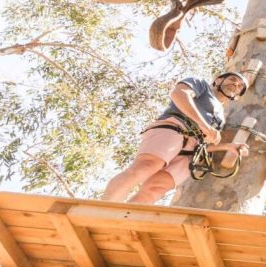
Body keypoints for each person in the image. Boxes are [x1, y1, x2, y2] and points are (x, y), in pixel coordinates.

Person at [102, 70, 251, 204]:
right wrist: (205, 126)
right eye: (232, 79)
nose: (235, 84)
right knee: (146, 167)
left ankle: (126, 220)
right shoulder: (201, 85)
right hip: (175, 129)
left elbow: (204, 145)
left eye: (239, 87)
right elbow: (179, 95)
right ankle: (104, 210)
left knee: (156, 188)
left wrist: (226, 147)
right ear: (218, 80)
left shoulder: (221, 118)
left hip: (191, 151)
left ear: (237, 97)